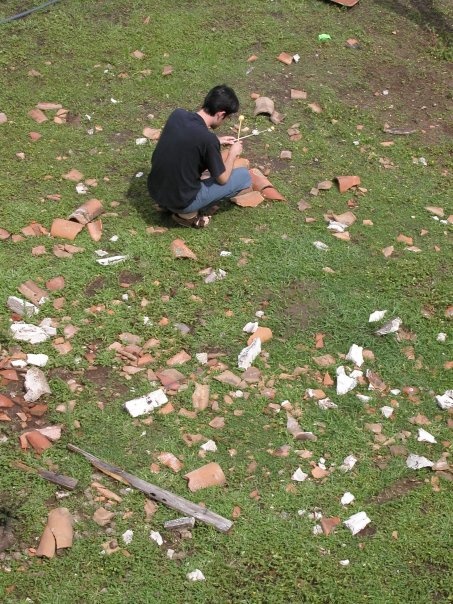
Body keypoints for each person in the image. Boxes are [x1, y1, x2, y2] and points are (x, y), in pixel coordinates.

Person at [147, 85, 252, 228]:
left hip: (155, 190)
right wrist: (233, 154)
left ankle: (168, 205)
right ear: (220, 114)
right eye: (226, 118)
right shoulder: (207, 140)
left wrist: (217, 140)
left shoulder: (177, 115)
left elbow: (183, 140)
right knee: (244, 176)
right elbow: (223, 179)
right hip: (181, 201)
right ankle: (187, 215)